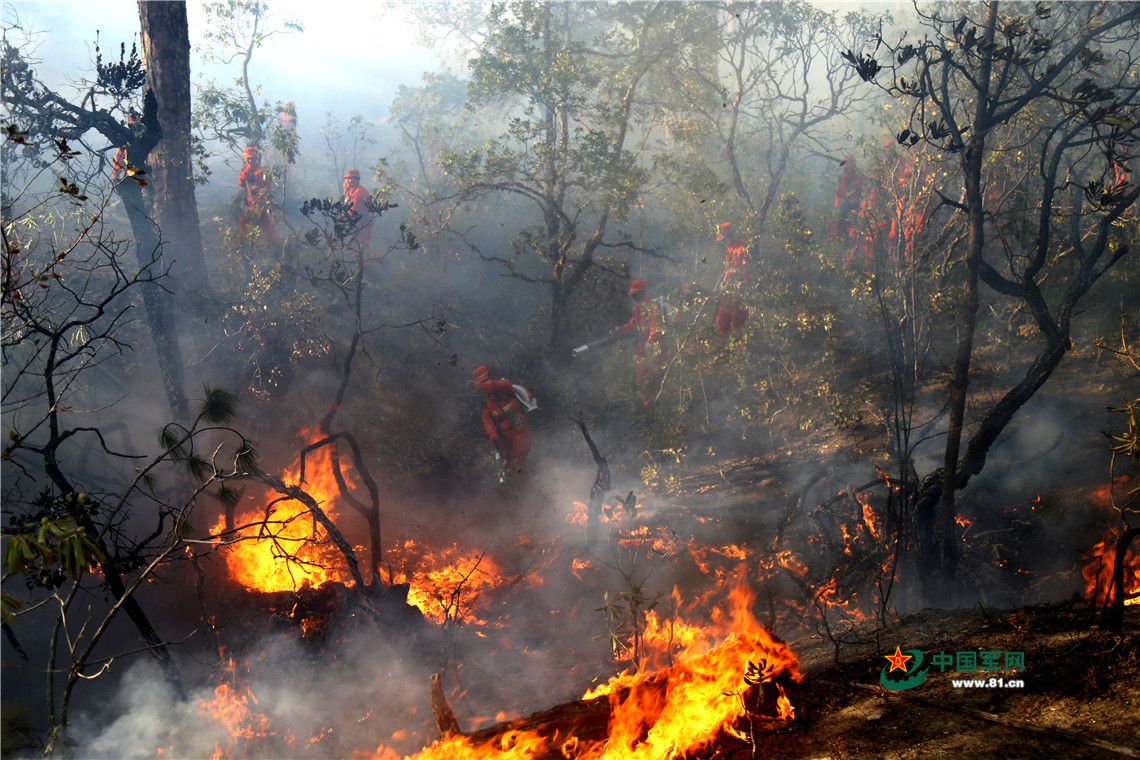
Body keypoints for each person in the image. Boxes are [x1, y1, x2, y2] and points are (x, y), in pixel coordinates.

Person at [473, 365, 534, 481]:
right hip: (504, 437)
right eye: (481, 383)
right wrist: (493, 435)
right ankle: (510, 490)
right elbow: (487, 421)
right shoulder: (486, 402)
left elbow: (505, 384)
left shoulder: (503, 388)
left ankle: (522, 486)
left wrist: (482, 385)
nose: (483, 386)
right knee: (506, 464)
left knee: (518, 461)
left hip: (518, 431)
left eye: (485, 382)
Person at [615, 279, 670, 406]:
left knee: (654, 377)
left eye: (636, 294)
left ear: (642, 292)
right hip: (642, 349)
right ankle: (648, 406)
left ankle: (658, 405)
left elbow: (657, 327)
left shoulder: (651, 306)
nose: (633, 296)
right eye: (632, 294)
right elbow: (633, 326)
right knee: (642, 379)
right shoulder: (638, 307)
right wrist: (619, 329)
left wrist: (650, 343)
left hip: (654, 348)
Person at [714, 222, 751, 347]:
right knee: (721, 322)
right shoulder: (729, 249)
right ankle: (728, 350)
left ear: (732, 235)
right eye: (722, 240)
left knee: (737, 325)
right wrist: (722, 290)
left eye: (724, 239)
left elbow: (746, 273)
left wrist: (746, 295)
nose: (723, 243)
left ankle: (742, 357)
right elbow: (728, 272)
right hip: (728, 293)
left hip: (739, 294)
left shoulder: (743, 248)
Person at [238, 146, 281, 246]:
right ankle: (273, 244)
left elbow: (268, 189)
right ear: (245, 159)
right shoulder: (245, 170)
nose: (250, 160)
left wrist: (259, 203)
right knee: (261, 224)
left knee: (246, 222)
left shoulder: (261, 172)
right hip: (250, 202)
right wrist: (244, 177)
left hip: (258, 203)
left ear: (256, 158)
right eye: (248, 158)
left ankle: (242, 244)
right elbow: (240, 183)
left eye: (252, 158)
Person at [339, 169, 373, 252]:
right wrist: (346, 187)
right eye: (346, 179)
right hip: (352, 220)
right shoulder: (351, 190)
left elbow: (370, 204)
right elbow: (343, 199)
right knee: (354, 243)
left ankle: (367, 261)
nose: (347, 181)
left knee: (361, 243)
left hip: (361, 221)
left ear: (356, 179)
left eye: (349, 178)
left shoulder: (361, 191)